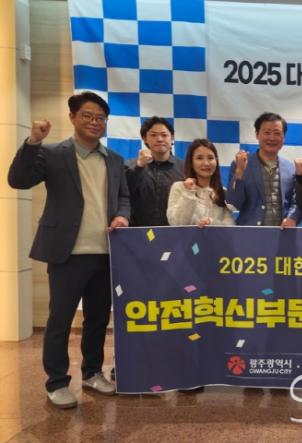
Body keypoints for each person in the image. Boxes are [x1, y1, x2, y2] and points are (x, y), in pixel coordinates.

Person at [7, 91, 130, 408]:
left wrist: (122, 216)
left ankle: (92, 373)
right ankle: (57, 382)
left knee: (98, 319)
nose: (94, 122)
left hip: (106, 252)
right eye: (87, 115)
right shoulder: (51, 153)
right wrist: (33, 141)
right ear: (73, 117)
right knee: (60, 320)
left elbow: (124, 197)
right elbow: (18, 180)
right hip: (66, 253)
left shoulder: (114, 160)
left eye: (100, 118)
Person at [226, 112, 300, 227]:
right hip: (249, 233)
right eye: (267, 132)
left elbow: (297, 202)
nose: (272, 138)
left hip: (283, 233)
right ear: (257, 134)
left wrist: (292, 218)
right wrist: (239, 173)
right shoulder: (240, 164)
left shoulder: (291, 169)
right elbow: (234, 204)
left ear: (283, 137)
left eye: (277, 133)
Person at [125, 116, 184, 226]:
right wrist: (139, 167)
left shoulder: (184, 168)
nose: (159, 139)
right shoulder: (130, 166)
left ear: (172, 137)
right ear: (145, 138)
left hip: (174, 232)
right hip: (137, 232)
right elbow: (123, 194)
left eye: (164, 135)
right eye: (153, 135)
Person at [167, 139, 235, 227]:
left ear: (216, 161)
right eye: (199, 158)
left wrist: (212, 222)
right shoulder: (179, 187)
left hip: (216, 236)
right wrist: (189, 193)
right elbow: (176, 223)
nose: (206, 163)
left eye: (210, 158)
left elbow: (230, 225)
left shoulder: (222, 191)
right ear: (191, 162)